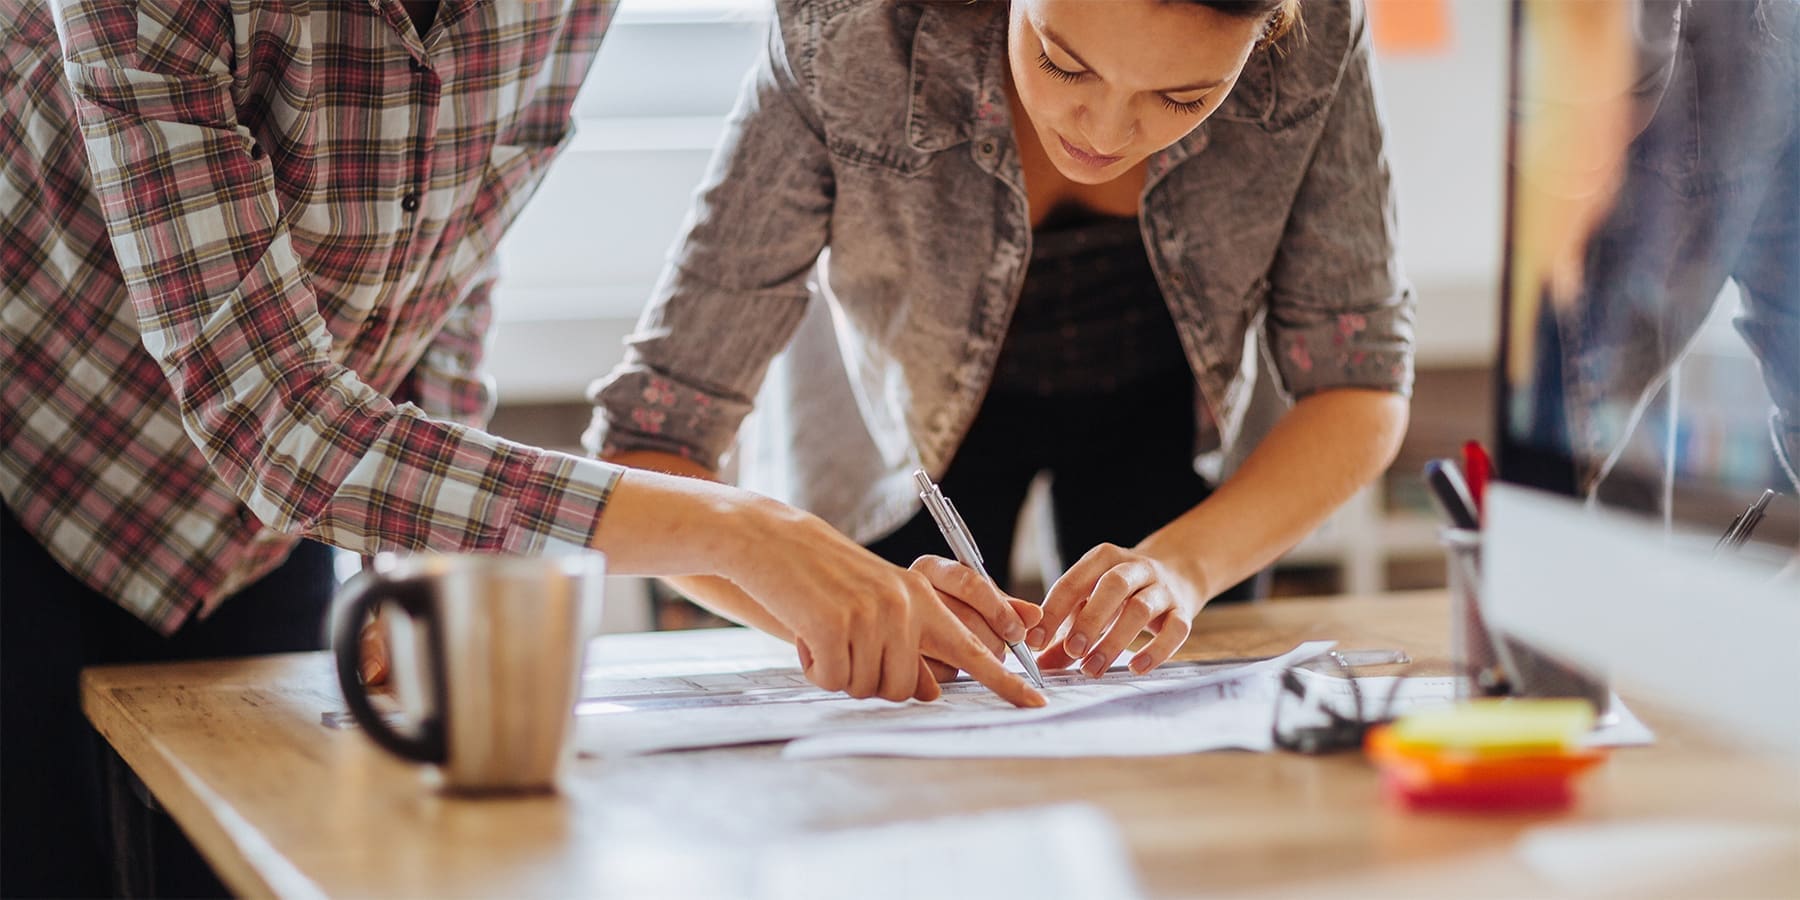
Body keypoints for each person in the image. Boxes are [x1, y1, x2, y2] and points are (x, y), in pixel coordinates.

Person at [0, 1, 1039, 894]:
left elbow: (441, 250)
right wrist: (742, 531)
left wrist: (417, 559)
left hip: (257, 545)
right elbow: (278, 425)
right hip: (34, 457)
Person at [590, 0, 1415, 681]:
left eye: (1184, 97)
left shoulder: (1319, 35)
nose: (1106, 129)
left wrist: (1187, 568)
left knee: (1170, 738)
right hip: (897, 448)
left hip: (1167, 419)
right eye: (1064, 64)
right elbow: (646, 450)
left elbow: (1362, 382)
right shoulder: (846, 35)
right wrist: (825, 601)